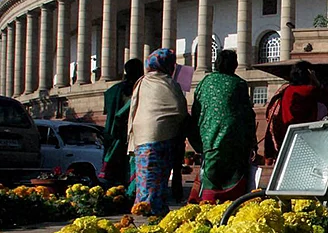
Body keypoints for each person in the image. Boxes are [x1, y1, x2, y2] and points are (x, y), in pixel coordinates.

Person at [188, 50, 257, 202]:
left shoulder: (205, 82)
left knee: (211, 179)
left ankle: (207, 207)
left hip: (209, 140)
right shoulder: (238, 84)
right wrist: (252, 142)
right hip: (233, 141)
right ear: (235, 64)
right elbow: (247, 115)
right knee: (233, 179)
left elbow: (196, 111)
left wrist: (198, 139)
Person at [127, 49, 188, 216]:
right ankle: (154, 210)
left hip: (141, 137)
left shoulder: (143, 81)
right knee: (157, 178)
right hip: (162, 137)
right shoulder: (168, 82)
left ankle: (144, 206)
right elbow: (178, 109)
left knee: (145, 176)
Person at [264, 60, 328, 160]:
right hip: (306, 138)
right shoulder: (310, 90)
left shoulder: (286, 89)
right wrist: (316, 81)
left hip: (286, 136)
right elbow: (327, 98)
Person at [100, 58, 143, 185]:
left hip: (112, 135)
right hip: (130, 136)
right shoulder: (138, 90)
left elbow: (108, 111)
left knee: (113, 177)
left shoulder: (112, 91)